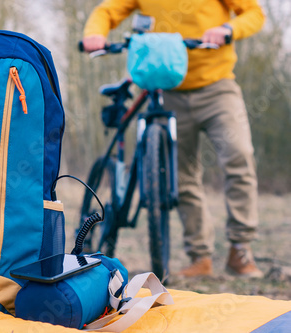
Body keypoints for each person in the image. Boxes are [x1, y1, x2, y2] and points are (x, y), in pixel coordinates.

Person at [82, 0, 265, 278]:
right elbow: (107, 11)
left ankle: (240, 248)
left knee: (238, 155)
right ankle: (199, 256)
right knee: (182, 176)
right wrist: (95, 33)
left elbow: (254, 13)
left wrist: (228, 28)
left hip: (218, 88)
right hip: (168, 89)